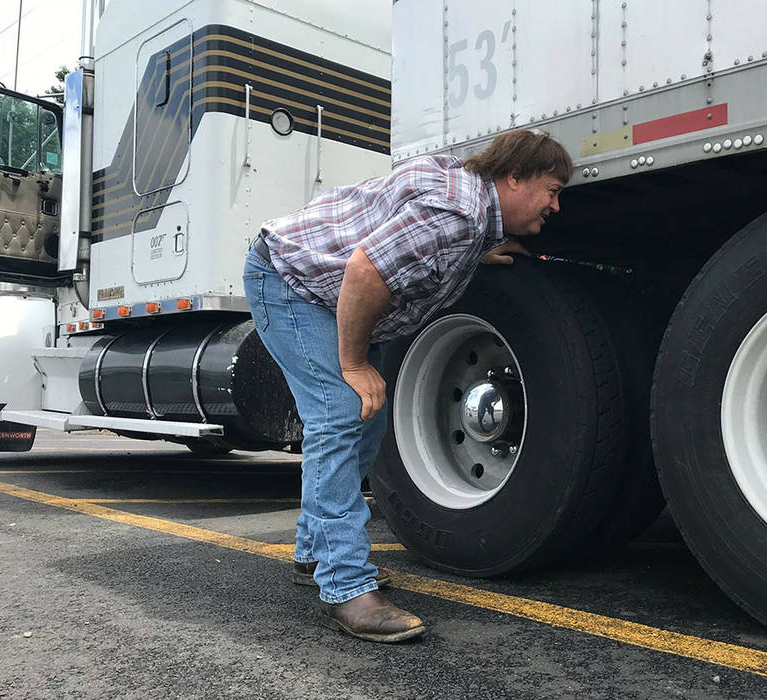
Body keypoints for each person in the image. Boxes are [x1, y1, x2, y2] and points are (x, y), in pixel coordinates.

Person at [242, 129, 572, 643]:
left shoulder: (468, 212)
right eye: (551, 189)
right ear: (515, 177)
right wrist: (352, 363)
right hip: (292, 281)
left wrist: (479, 251)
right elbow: (364, 271)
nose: (556, 204)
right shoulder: (455, 216)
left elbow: (413, 234)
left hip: (325, 289)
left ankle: (314, 556)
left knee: (362, 426)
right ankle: (345, 586)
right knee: (341, 415)